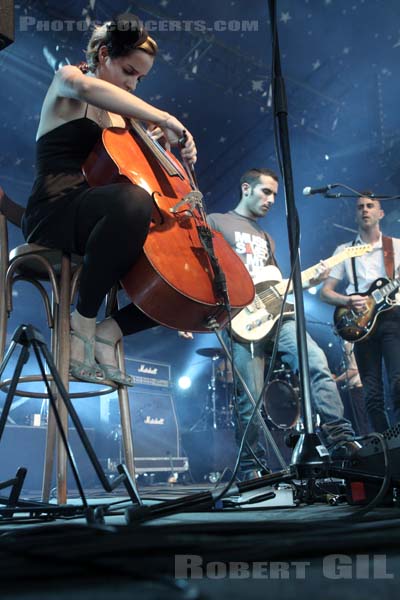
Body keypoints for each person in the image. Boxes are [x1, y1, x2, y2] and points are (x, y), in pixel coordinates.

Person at [22, 14, 197, 386]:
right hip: (54, 210)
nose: (133, 85)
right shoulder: (69, 80)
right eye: (129, 71)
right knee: (132, 202)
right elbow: (87, 89)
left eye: (140, 79)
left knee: (189, 276)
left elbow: (134, 174)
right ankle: (82, 319)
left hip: (100, 222)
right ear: (104, 54)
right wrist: (165, 117)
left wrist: (165, 144)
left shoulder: (123, 116)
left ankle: (110, 330)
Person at [207, 167, 357, 478]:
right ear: (246, 188)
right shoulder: (217, 222)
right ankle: (251, 467)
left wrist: (309, 278)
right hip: (240, 320)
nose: (272, 199)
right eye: (266, 191)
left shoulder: (267, 238)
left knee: (315, 361)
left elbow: (275, 282)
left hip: (278, 317)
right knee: (249, 398)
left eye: (275, 194)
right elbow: (201, 270)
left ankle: (342, 440)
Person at [321, 194, 400, 432]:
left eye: (370, 206)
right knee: (372, 391)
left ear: (380, 213)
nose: (365, 210)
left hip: (392, 319)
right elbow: (326, 292)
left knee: (398, 381)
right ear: (355, 215)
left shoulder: (395, 246)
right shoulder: (344, 250)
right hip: (359, 325)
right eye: (360, 207)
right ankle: (384, 445)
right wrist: (348, 299)